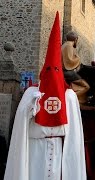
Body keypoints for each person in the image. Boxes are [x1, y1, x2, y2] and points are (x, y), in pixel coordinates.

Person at [4, 12, 86, 180]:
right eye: (49, 70)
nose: (52, 75)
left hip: (58, 150)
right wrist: (31, 108)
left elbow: (74, 137)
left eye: (56, 70)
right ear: (43, 72)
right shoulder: (31, 94)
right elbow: (21, 128)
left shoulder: (69, 96)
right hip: (34, 149)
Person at [61, 30, 90, 104]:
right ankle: (70, 98)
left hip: (66, 72)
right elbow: (69, 61)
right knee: (86, 86)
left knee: (76, 85)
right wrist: (78, 59)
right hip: (67, 72)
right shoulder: (69, 46)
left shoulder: (65, 45)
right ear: (76, 39)